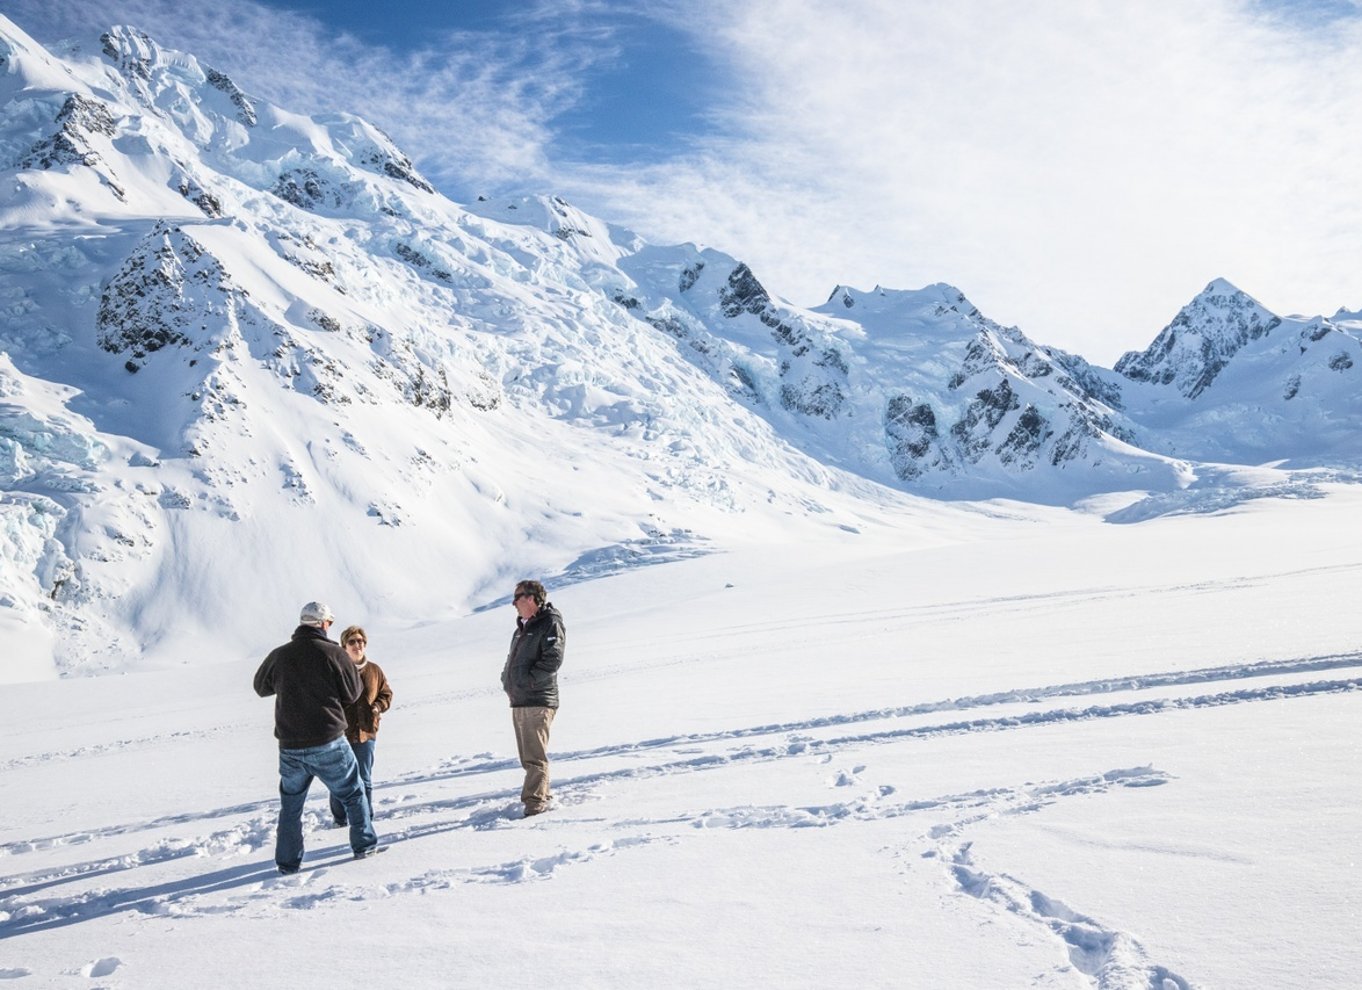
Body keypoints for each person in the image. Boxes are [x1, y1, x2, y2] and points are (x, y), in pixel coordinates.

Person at [253, 601, 379, 873]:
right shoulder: (334, 653)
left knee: (291, 806)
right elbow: (353, 694)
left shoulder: (280, 655)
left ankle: (287, 863)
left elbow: (260, 687)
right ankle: (364, 845)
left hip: (290, 747)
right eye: (330, 623)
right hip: (328, 741)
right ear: (324, 624)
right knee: (353, 793)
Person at [500, 579, 564, 817]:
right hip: (520, 699)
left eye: (516, 597)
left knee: (534, 757)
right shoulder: (523, 628)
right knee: (528, 756)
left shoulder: (549, 623)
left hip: (537, 700)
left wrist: (527, 681)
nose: (513, 603)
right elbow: (512, 660)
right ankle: (541, 795)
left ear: (530, 598)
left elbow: (552, 659)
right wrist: (506, 681)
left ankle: (535, 804)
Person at [329, 624, 393, 828]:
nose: (358, 645)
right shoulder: (337, 669)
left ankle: (367, 817)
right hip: (341, 734)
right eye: (353, 641)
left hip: (367, 731)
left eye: (361, 641)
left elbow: (386, 693)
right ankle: (340, 819)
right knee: (340, 778)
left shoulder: (374, 670)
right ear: (344, 645)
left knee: (364, 778)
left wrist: (377, 707)